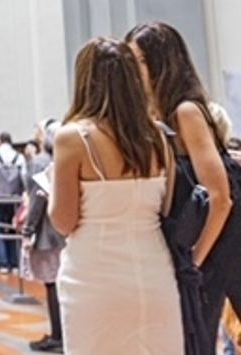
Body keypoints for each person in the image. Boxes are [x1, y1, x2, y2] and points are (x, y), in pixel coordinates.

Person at [48, 37, 182, 354]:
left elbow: (64, 221)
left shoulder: (73, 137)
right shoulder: (159, 136)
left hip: (94, 275)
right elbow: (167, 207)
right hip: (153, 270)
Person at [126, 21, 240, 346]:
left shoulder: (185, 111)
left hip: (223, 242)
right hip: (208, 245)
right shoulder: (156, 115)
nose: (133, 70)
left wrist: (194, 263)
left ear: (162, 62)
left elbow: (220, 198)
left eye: (141, 60)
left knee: (197, 337)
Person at [21, 120, 64, 353]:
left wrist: (28, 230)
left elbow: (36, 199)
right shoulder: (66, 158)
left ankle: (58, 335)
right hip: (66, 230)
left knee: (52, 284)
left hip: (48, 231)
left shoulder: (40, 162)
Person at [0, 131, 25, 272]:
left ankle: (3, 263)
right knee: (14, 228)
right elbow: (24, 177)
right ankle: (15, 262)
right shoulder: (19, 157)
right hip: (15, 198)